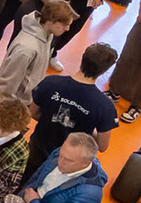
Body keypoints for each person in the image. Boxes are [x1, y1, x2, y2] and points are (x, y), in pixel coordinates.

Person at [30, 43, 120, 173]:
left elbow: (32, 112)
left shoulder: (50, 82)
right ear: (105, 70)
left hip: (37, 149)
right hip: (68, 161)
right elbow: (102, 146)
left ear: (83, 59)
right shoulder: (105, 107)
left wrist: (50, 118)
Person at [0, 0, 76, 103]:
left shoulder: (48, 35)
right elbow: (7, 85)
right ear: (51, 20)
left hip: (26, 100)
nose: (67, 29)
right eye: (64, 24)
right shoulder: (26, 48)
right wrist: (11, 109)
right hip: (13, 104)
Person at [23, 134, 108, 203]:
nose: (60, 162)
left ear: (86, 163)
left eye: (68, 160)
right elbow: (37, 176)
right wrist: (23, 193)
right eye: (61, 155)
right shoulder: (62, 153)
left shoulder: (89, 194)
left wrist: (34, 202)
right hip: (28, 198)